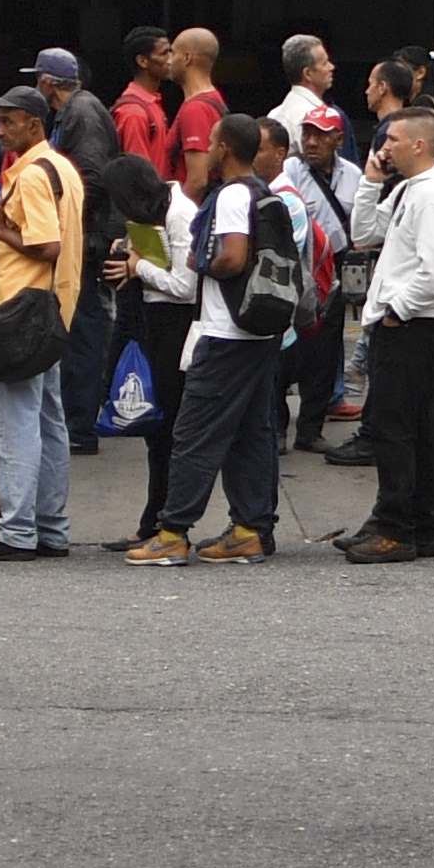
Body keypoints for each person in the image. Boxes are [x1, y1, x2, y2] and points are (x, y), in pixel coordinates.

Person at [134, 119, 298, 564]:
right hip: (259, 330)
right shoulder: (264, 192)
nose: (204, 150)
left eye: (209, 143)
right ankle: (250, 528)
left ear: (224, 149)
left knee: (193, 432)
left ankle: (172, 533)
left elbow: (232, 256)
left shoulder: (231, 195)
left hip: (225, 333)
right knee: (251, 432)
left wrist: (201, 260)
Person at [339, 110, 434, 562]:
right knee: (417, 428)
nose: (384, 146)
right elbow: (365, 233)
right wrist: (371, 181)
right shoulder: (410, 191)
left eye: (393, 139)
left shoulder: (432, 196)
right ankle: (422, 520)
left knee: (398, 430)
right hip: (410, 323)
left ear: (419, 145)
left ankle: (398, 528)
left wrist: (398, 311)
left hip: (415, 327)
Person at [0, 95, 87, 560]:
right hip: (52, 312)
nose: (0, 129)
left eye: (9, 122)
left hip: (21, 314)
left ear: (35, 125)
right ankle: (50, 527)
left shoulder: (35, 174)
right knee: (48, 422)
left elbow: (47, 244)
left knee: (12, 424)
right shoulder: (61, 168)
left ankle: (16, 530)